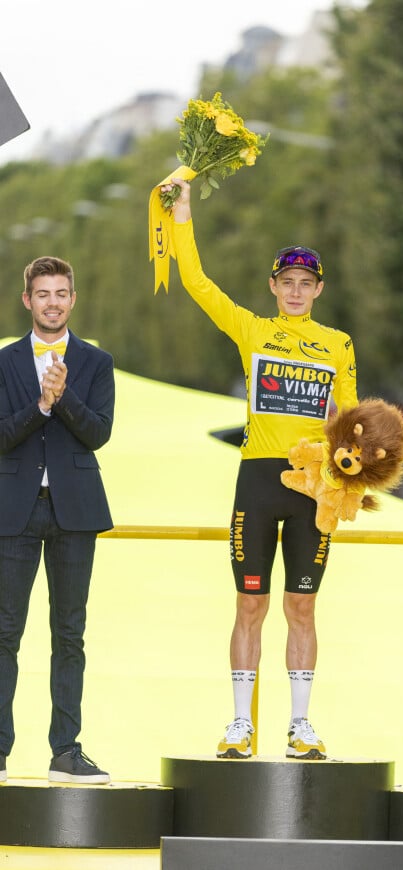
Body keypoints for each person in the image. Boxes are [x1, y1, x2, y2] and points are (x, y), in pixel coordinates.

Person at [159, 176, 358, 760]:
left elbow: (352, 422)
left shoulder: (339, 344)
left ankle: (300, 726)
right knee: (250, 603)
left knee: (302, 605)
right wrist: (183, 214)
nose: (296, 292)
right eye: (287, 282)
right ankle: (240, 724)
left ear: (319, 289)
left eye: (306, 284)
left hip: (312, 487)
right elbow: (196, 282)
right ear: (273, 286)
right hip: (257, 477)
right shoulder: (253, 329)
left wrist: (353, 474)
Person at [0, 256, 115, 783]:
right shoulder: (4, 363)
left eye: (61, 293)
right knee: (4, 633)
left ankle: (66, 750)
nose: (52, 302)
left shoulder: (95, 362)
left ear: (73, 299)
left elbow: (98, 433)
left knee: (70, 633)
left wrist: (63, 398)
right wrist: (41, 407)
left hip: (75, 512)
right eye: (42, 293)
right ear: (28, 300)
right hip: (13, 511)